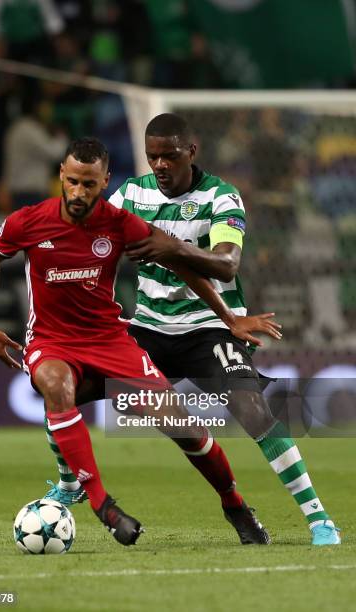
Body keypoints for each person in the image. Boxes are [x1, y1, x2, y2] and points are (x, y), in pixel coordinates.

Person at [0, 137, 281, 546]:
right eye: (71, 182)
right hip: (52, 341)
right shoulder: (29, 221)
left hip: (111, 341)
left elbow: (178, 261)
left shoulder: (119, 223)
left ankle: (235, 504)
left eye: (88, 184)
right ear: (60, 177)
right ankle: (102, 504)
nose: (78, 192)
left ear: (105, 182)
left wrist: (227, 316)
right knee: (55, 386)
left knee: (184, 429)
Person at [106, 113, 340, 546]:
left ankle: (319, 519)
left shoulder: (222, 196)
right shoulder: (130, 194)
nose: (159, 164)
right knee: (65, 380)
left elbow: (227, 262)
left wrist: (171, 245)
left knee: (252, 411)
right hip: (148, 328)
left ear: (190, 152)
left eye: (169, 156)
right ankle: (66, 486)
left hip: (208, 328)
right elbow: (94, 245)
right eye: (152, 156)